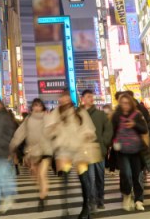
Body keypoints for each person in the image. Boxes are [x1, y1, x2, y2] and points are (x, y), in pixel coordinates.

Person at [47, 90, 97, 219]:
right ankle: (65, 207)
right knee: (64, 180)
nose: (63, 99)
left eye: (66, 97)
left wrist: (87, 135)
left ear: (70, 98)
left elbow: (89, 128)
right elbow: (48, 131)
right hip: (64, 151)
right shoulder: (55, 113)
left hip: (80, 150)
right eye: (61, 97)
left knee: (84, 179)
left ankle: (86, 207)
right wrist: (53, 132)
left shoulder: (80, 112)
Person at [10, 98, 52, 212]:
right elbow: (20, 133)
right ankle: (43, 191)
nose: (37, 108)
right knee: (36, 176)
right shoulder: (28, 119)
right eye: (35, 105)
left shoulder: (47, 117)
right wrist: (13, 144)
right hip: (33, 151)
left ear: (42, 107)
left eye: (39, 105)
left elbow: (54, 129)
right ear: (32, 107)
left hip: (45, 150)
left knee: (42, 175)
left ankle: (42, 198)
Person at [111, 92, 149, 212]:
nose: (125, 105)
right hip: (122, 151)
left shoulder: (137, 115)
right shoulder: (116, 116)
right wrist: (112, 144)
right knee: (126, 174)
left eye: (127, 103)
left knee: (137, 176)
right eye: (122, 103)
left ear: (131, 103)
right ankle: (127, 195)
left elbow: (144, 129)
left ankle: (139, 200)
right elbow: (112, 131)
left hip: (136, 151)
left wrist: (134, 125)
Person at [80, 90, 112, 211]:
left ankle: (100, 199)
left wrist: (104, 143)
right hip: (86, 152)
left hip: (99, 150)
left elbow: (108, 129)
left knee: (100, 177)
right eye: (88, 96)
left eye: (92, 96)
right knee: (90, 178)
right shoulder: (79, 115)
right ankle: (92, 201)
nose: (91, 98)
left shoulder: (100, 114)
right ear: (83, 99)